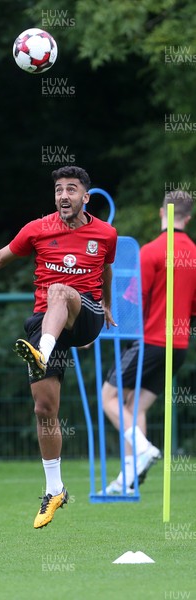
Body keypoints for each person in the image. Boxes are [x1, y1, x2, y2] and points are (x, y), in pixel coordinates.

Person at [0, 166, 118, 528]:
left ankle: (45, 347)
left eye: (71, 189)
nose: (63, 195)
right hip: (44, 321)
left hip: (85, 312)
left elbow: (105, 270)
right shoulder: (37, 229)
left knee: (59, 290)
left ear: (86, 197)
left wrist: (109, 305)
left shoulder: (105, 233)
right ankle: (55, 489)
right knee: (44, 408)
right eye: (58, 190)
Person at [102, 190, 196, 494]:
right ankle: (128, 481)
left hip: (151, 342)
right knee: (134, 406)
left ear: (161, 213)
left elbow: (133, 301)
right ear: (188, 218)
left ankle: (142, 450)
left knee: (109, 398)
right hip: (179, 346)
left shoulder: (153, 251)